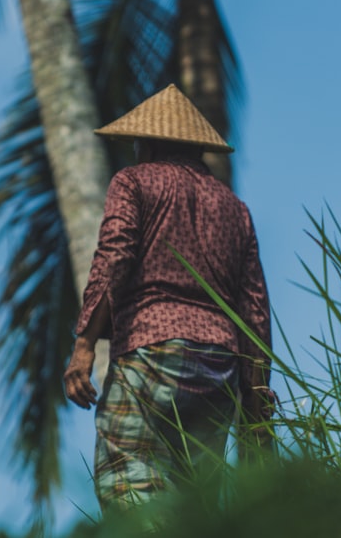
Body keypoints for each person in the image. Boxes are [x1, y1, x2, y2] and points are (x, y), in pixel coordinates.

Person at [63, 84, 273, 510]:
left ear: (151, 140)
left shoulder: (134, 181)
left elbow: (114, 256)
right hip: (219, 368)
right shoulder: (235, 209)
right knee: (196, 504)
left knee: (129, 479)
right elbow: (254, 310)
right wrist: (255, 396)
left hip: (151, 351)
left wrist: (84, 344)